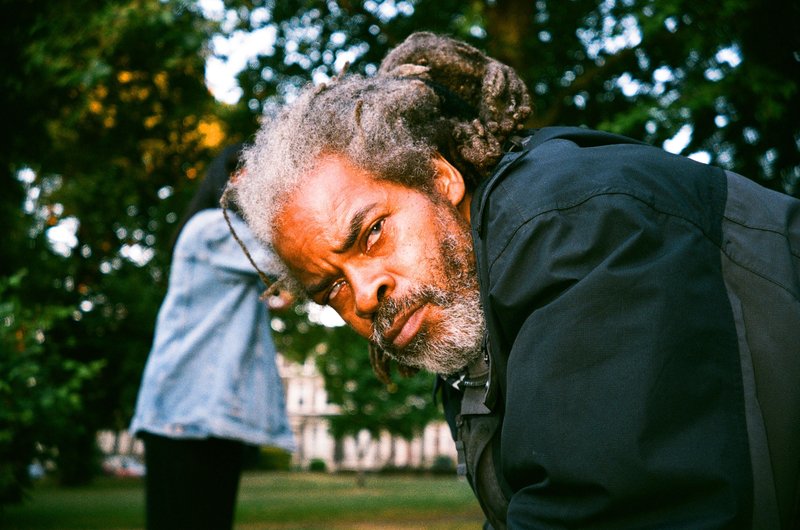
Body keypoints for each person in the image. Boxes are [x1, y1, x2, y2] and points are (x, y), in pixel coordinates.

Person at [230, 32, 800, 529]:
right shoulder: (472, 323)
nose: (362, 293)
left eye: (372, 233)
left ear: (439, 177)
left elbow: (604, 510)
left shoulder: (568, 222)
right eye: (329, 289)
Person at [129, 144, 295, 530]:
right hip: (185, 413)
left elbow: (275, 289)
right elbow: (289, 263)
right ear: (226, 178)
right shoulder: (215, 227)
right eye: (246, 171)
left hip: (198, 414)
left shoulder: (225, 237)